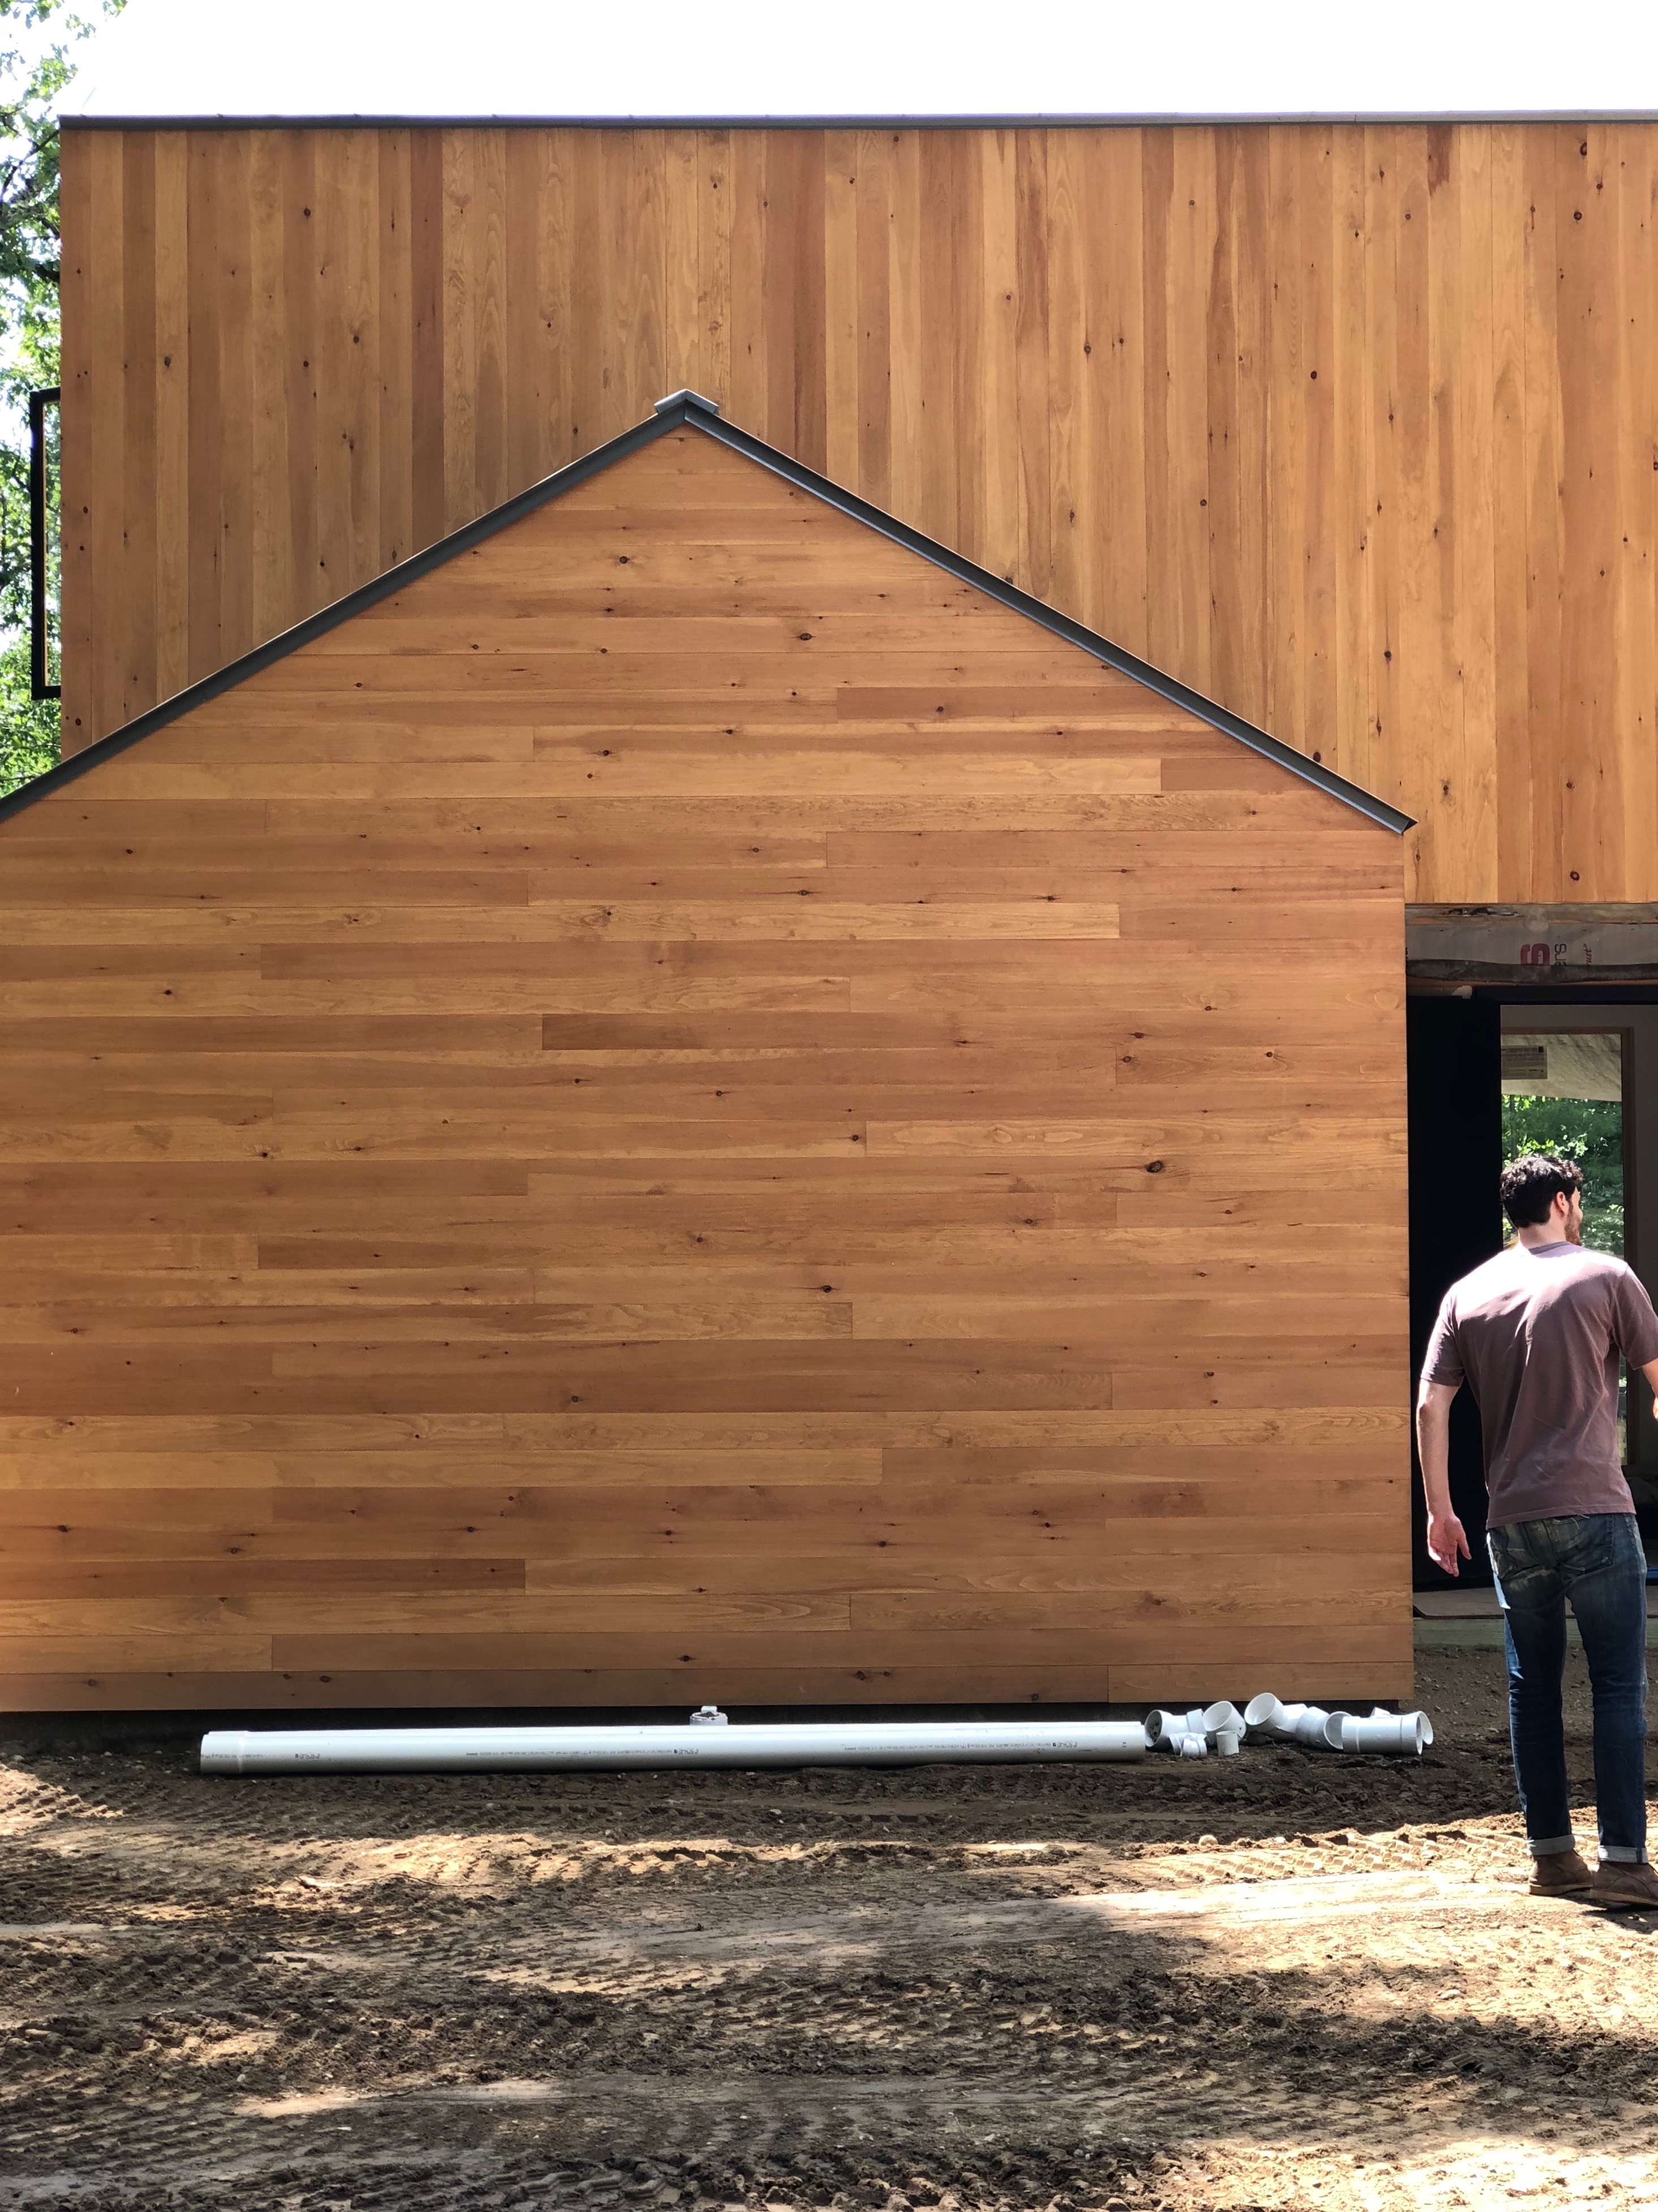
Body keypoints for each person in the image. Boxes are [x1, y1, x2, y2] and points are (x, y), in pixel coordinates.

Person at [1418, 1151, 1658, 1908]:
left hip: (1510, 1522)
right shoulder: (1606, 1276)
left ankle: (1552, 1858)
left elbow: (1429, 1407)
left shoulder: (1467, 1292)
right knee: (1617, 1681)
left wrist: (1440, 1509)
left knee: (1532, 1688)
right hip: (1594, 1510)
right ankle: (1622, 1862)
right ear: (1560, 1201)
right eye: (1576, 1199)